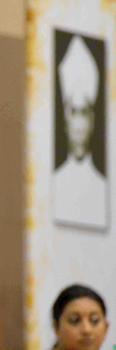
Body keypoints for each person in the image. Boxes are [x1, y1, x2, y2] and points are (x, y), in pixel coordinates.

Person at [53, 35, 107, 228]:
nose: (78, 124)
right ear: (65, 117)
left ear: (93, 118)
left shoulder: (104, 189)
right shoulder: (53, 185)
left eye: (84, 112)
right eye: (73, 111)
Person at [21, 284, 109, 350]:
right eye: (74, 320)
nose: (86, 330)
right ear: (56, 327)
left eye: (94, 320)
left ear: (106, 328)